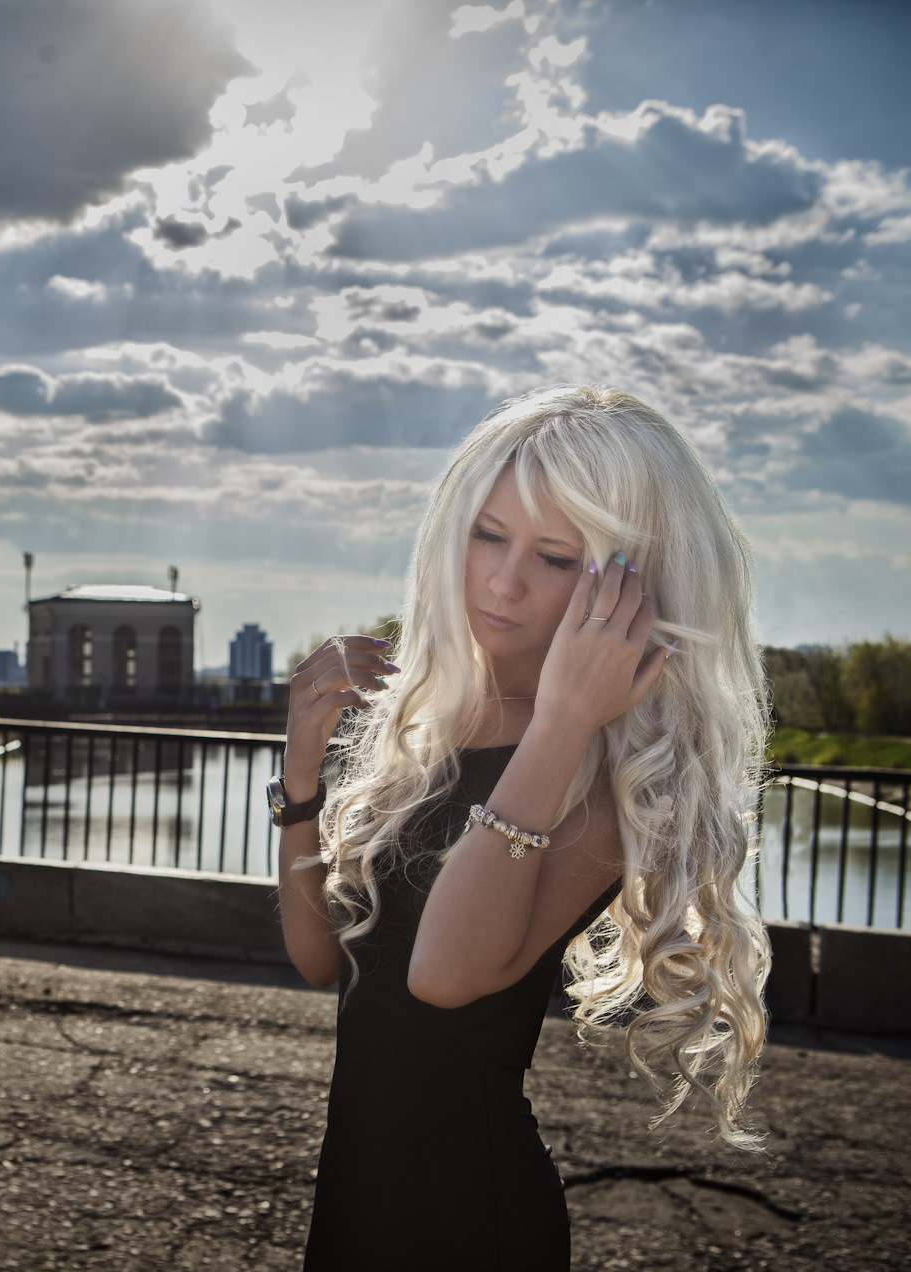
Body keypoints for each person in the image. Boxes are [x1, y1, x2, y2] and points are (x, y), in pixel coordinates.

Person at [276, 385, 772, 1270]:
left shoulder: (603, 771)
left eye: (552, 556)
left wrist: (562, 719)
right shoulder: (438, 724)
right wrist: (302, 779)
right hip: (355, 1188)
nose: (502, 582)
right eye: (487, 535)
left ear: (630, 586)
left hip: (471, 1214)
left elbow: (441, 978)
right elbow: (323, 963)